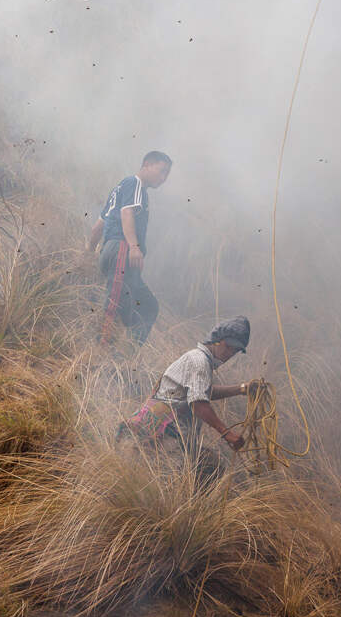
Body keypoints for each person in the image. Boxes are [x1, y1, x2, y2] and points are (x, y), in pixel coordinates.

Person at [121, 316, 256, 456]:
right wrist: (226, 433)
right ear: (216, 340)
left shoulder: (199, 359)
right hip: (162, 432)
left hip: (161, 429)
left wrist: (242, 389)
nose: (229, 354)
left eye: (234, 351)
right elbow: (198, 403)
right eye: (227, 347)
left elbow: (203, 392)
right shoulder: (200, 362)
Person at [87, 151, 172, 345]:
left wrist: (89, 254)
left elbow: (97, 228)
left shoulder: (119, 190)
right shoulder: (135, 184)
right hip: (121, 251)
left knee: (148, 306)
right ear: (147, 164)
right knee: (114, 308)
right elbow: (127, 214)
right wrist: (134, 247)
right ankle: (101, 355)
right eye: (162, 171)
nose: (164, 178)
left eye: (167, 174)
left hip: (114, 253)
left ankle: (126, 356)